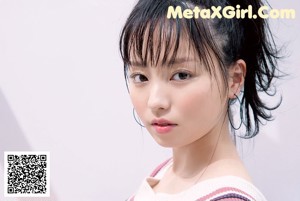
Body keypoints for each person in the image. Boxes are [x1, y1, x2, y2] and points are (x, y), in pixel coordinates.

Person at [119, 0, 281, 200]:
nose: (155, 101)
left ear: (234, 79)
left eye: (181, 75)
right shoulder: (164, 174)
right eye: (141, 77)